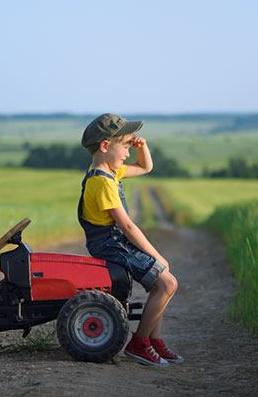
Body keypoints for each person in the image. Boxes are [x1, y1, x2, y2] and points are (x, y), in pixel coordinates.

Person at [78, 113, 183, 367]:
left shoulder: (111, 172)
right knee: (167, 283)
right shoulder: (101, 181)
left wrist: (141, 146)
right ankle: (139, 344)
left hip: (115, 240)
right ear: (105, 146)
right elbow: (126, 225)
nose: (127, 152)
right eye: (124, 146)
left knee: (162, 280)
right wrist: (156, 255)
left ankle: (153, 340)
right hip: (110, 243)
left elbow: (146, 167)